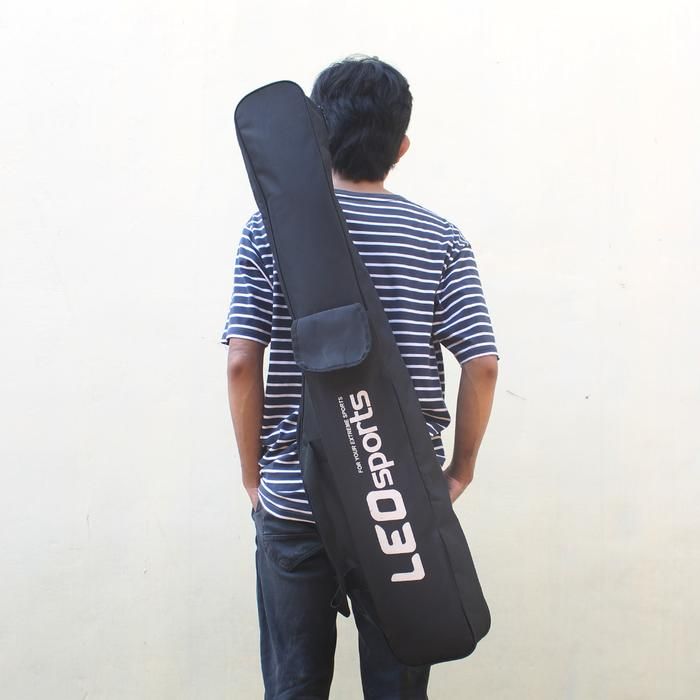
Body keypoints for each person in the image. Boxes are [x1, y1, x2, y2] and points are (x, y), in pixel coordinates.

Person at [222, 55, 499, 700]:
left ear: (316, 135)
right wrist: (459, 469)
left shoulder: (268, 231)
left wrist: (255, 475)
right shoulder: (440, 239)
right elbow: (482, 364)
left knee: (294, 685)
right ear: (401, 147)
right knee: (397, 686)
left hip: (296, 494)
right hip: (396, 499)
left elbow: (240, 361)